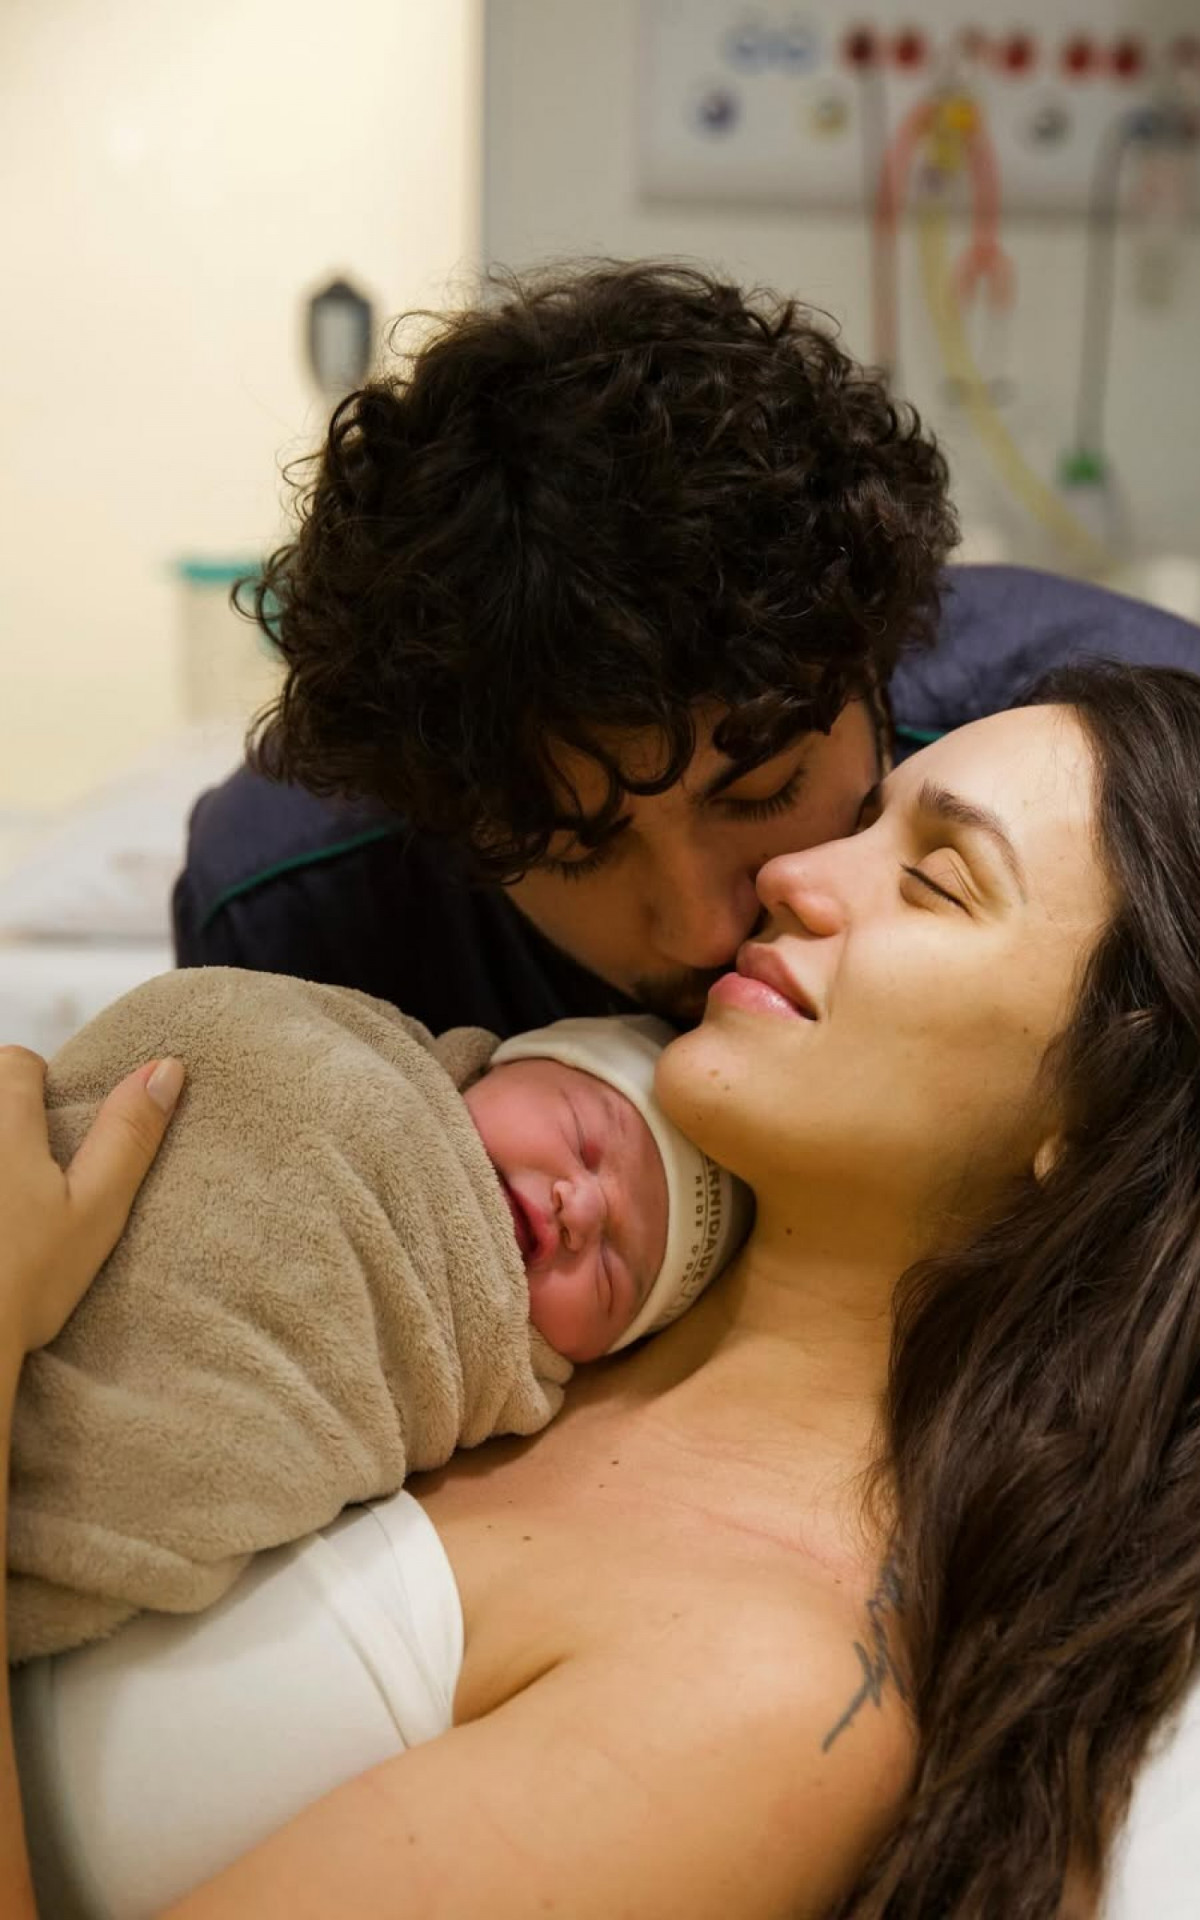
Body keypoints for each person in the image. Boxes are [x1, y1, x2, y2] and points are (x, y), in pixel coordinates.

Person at [5, 660, 1200, 1917]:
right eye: (864, 820)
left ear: (1108, 1105)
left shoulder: (764, 1695)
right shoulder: (522, 1248)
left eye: (935, 881)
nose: (792, 876)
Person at [172, 263, 1200, 1041]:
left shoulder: (1144, 774)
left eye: (762, 790)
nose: (705, 931)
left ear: (876, 664)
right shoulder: (295, 911)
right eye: (573, 850)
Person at [8, 978, 748, 1660]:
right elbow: (217, 1030)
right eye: (584, 1139)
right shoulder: (354, 1063)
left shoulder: (480, 1397)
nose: (580, 1210)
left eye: (615, 1274)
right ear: (502, 1062)